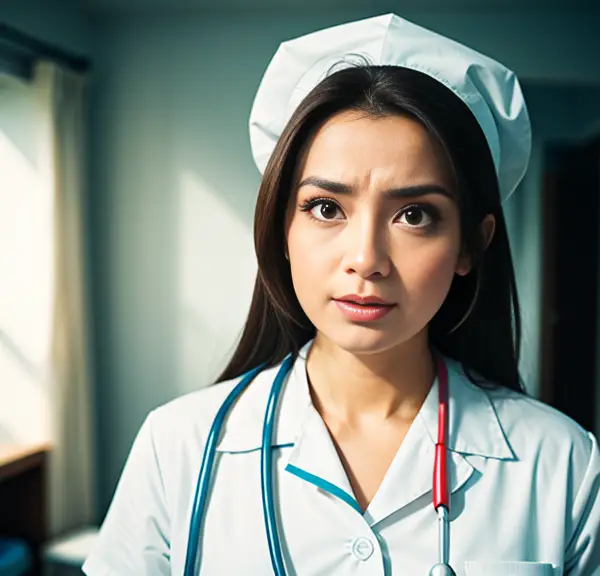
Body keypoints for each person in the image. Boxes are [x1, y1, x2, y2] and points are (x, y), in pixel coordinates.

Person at [83, 13, 600, 576]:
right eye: (326, 208)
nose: (366, 260)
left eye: (415, 215)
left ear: (470, 247)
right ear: (283, 229)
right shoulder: (178, 447)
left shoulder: (563, 466)